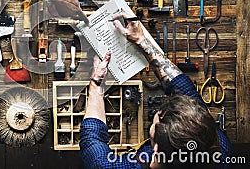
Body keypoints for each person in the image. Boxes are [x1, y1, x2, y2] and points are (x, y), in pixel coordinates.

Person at [80, 12, 233, 168]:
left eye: (155, 122)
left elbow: (93, 143)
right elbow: (185, 89)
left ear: (155, 153)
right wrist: (142, 42)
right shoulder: (219, 149)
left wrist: (96, 82)